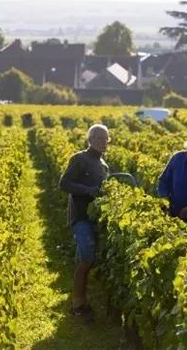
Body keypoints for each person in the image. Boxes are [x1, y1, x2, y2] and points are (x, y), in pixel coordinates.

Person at [59, 124, 110, 323]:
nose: (104, 142)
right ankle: (78, 304)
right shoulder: (79, 159)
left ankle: (80, 301)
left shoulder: (103, 165)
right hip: (80, 216)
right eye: (100, 138)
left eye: (106, 139)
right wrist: (87, 190)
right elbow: (64, 183)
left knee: (87, 257)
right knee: (87, 258)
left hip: (95, 218)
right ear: (91, 139)